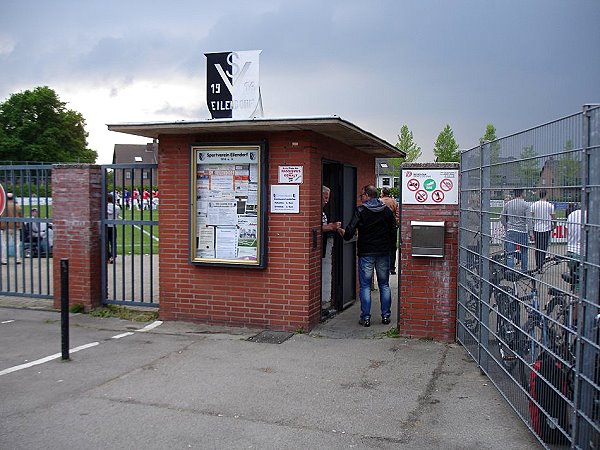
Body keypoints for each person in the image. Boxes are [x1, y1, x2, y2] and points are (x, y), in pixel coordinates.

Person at [338, 184, 396, 327]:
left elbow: (350, 231)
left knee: (364, 286)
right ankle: (386, 316)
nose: (360, 198)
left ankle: (366, 318)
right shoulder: (387, 211)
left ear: (367, 195)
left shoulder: (361, 210)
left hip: (366, 253)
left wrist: (342, 232)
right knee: (384, 284)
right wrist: (390, 247)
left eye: (361, 195)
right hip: (383, 252)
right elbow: (393, 230)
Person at [321, 186, 341, 317]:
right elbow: (318, 227)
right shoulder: (315, 209)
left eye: (328, 198)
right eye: (325, 197)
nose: (327, 201)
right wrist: (332, 226)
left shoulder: (322, 210)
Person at [500, 188, 531, 272]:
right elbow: (529, 220)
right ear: (522, 193)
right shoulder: (526, 205)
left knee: (510, 253)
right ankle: (523, 271)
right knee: (524, 252)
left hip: (511, 230)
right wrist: (531, 233)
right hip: (522, 231)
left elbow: (502, 217)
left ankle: (510, 271)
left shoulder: (508, 204)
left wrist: (506, 226)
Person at [530, 189, 555, 271]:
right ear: (546, 195)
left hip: (537, 228)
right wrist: (554, 225)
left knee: (537, 248)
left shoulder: (534, 205)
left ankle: (538, 264)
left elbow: (531, 216)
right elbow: (553, 217)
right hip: (546, 229)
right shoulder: (549, 205)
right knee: (543, 248)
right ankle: (541, 265)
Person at [380, 188, 399, 274]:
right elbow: (398, 214)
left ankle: (383, 267)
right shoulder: (394, 202)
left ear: (383, 193)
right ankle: (392, 267)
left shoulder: (380, 201)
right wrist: (396, 222)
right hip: (392, 227)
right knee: (392, 247)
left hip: (382, 227)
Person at [0, 192, 23, 264]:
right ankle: (17, 259)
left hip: (5, 226)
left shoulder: (3, 206)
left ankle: (4, 260)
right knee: (17, 244)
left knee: (4, 244)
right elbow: (21, 216)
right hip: (15, 226)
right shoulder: (17, 206)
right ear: (13, 198)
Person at [566, 206, 583, 290]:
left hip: (570, 251)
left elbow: (567, 231)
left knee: (575, 281)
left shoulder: (572, 214)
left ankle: (573, 299)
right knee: (580, 286)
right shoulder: (592, 216)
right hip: (582, 254)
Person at [106, 193, 121, 264]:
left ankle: (107, 256)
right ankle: (113, 256)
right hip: (113, 226)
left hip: (106, 226)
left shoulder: (103, 207)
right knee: (113, 242)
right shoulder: (117, 207)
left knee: (105, 243)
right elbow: (117, 217)